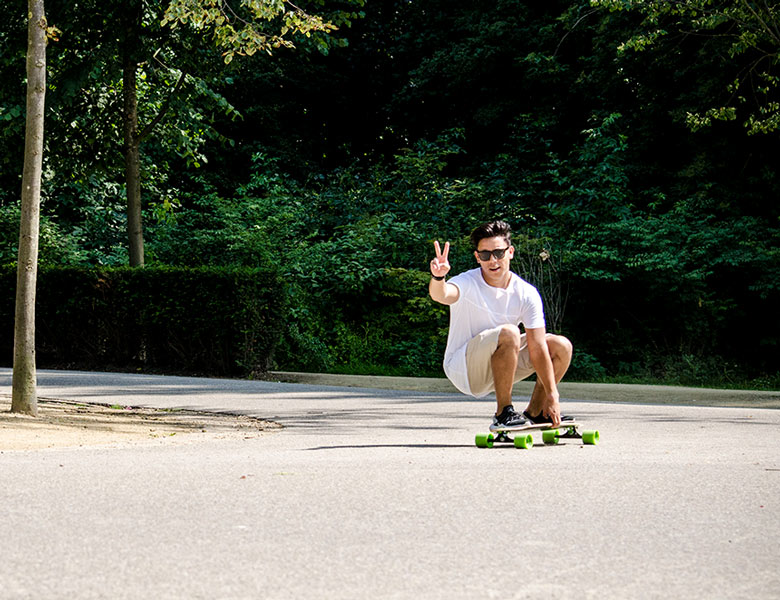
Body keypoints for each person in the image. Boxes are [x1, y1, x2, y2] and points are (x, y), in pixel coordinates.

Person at [428, 220, 573, 430]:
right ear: (477, 257)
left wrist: (553, 395)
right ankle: (503, 413)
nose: (493, 261)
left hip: (502, 364)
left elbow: (537, 347)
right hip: (464, 369)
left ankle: (537, 412)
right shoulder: (467, 282)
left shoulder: (526, 293)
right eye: (485, 255)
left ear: (510, 252)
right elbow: (441, 295)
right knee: (510, 332)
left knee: (561, 346)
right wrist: (438, 277)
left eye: (498, 253)